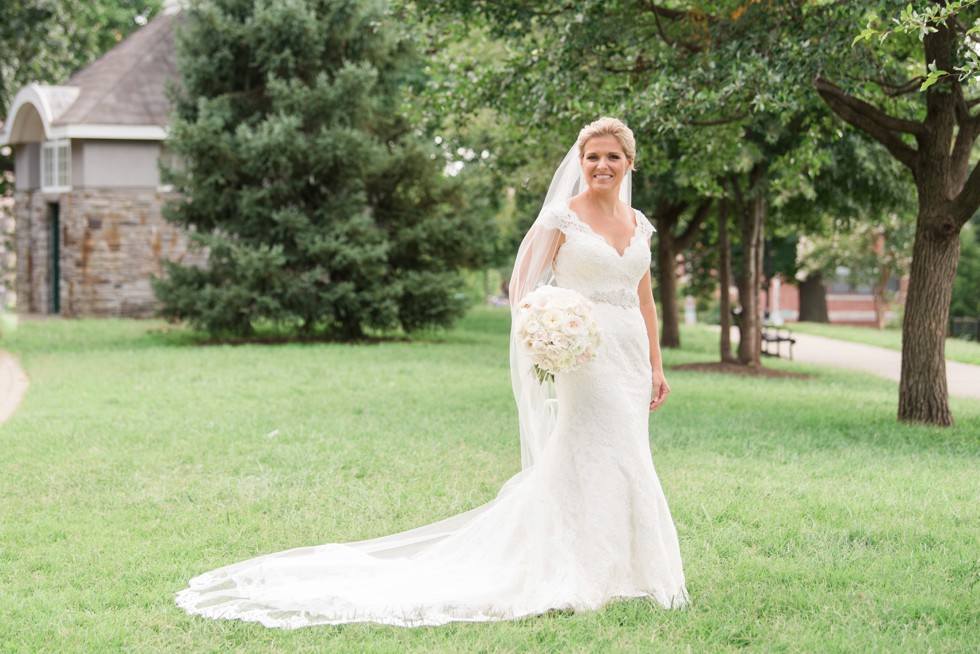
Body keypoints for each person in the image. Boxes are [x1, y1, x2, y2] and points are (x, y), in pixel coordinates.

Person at [175, 117, 688, 628]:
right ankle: (572, 565)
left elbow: (643, 298)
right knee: (588, 447)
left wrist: (656, 366)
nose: (601, 165)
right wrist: (547, 334)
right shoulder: (562, 217)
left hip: (629, 358)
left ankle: (630, 566)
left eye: (612, 157)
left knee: (628, 449)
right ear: (580, 162)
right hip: (583, 354)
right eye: (592, 156)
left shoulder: (639, 223)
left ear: (629, 163)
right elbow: (522, 286)